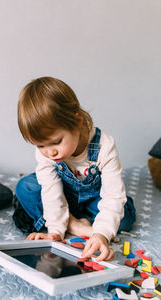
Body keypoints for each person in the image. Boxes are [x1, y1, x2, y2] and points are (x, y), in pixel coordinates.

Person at [13, 76, 136, 261]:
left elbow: (112, 196)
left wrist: (101, 234)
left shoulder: (104, 145)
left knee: (124, 217)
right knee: (26, 187)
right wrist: (55, 231)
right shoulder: (46, 152)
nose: (50, 152)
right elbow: (50, 191)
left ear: (77, 121)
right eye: (40, 146)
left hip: (95, 197)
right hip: (64, 194)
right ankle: (74, 225)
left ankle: (77, 221)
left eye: (56, 142)